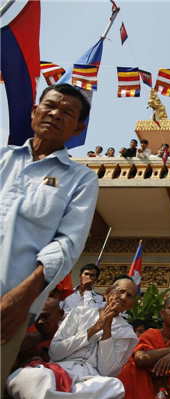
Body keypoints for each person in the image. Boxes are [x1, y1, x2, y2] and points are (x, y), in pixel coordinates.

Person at [0, 84, 99, 389]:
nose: (55, 114)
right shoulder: (3, 158)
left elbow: (67, 245)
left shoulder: (81, 179)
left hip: (11, 303)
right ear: (34, 112)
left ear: (78, 128)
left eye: (67, 113)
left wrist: (23, 297)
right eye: (50, 106)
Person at [7, 277, 139, 399]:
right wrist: (92, 331)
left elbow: (106, 371)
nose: (122, 297)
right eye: (121, 291)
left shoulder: (127, 333)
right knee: (30, 377)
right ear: (108, 292)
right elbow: (55, 352)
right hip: (59, 371)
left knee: (114, 386)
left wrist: (107, 330)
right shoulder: (79, 313)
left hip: (88, 380)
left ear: (130, 305)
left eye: (129, 296)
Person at [12, 298, 63, 371]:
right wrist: (26, 365)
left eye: (46, 316)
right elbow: (4, 372)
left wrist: (48, 366)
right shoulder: (25, 340)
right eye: (36, 317)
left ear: (60, 314)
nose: (40, 321)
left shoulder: (68, 341)